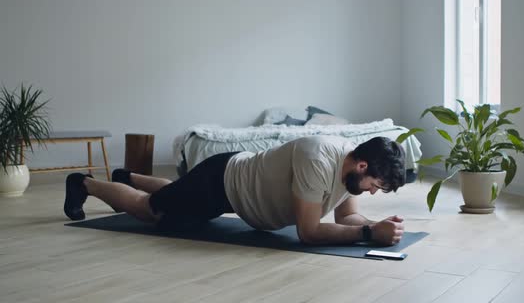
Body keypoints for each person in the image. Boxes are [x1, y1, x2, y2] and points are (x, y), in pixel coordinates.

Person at [63, 135, 407, 246]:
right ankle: (84, 182)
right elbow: (309, 231)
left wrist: (376, 226)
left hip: (234, 182)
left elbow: (348, 215)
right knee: (152, 211)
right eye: (375, 186)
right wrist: (367, 234)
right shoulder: (318, 159)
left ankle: (129, 176)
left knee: (177, 194)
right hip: (221, 182)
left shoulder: (354, 164)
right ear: (363, 166)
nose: (373, 193)